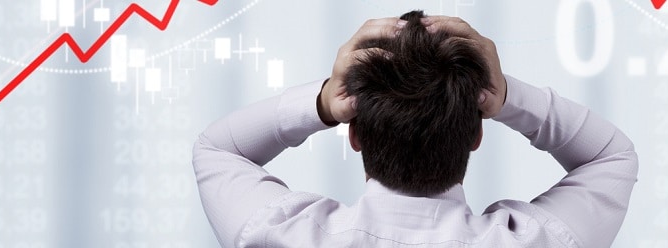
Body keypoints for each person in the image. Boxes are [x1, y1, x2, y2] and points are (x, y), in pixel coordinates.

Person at [193, 11, 638, 248]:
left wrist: (326, 100)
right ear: (476, 136)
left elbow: (217, 150)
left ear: (354, 134)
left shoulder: (283, 235)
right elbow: (611, 156)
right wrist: (504, 98)